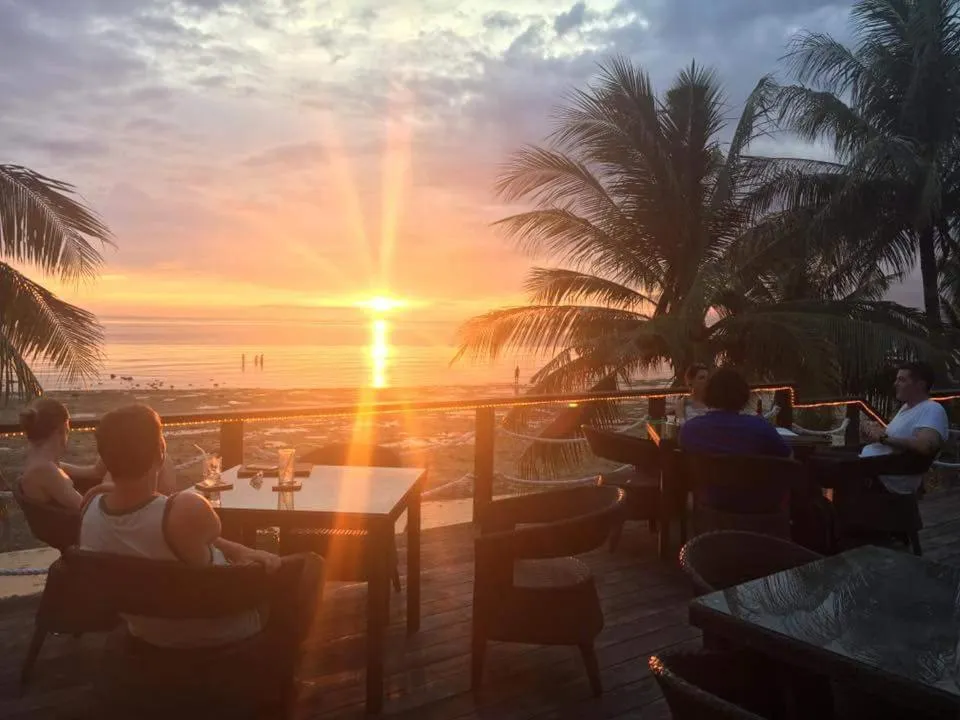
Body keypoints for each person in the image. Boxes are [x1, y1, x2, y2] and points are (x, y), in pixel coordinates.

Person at [80, 404, 284, 648]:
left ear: (105, 458)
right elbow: (209, 531)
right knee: (309, 566)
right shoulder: (183, 509)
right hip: (221, 626)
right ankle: (283, 669)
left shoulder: (90, 508)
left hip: (146, 631)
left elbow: (190, 535)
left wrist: (241, 550)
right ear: (160, 453)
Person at [858, 361, 949, 494]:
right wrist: (873, 432)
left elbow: (925, 445)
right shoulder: (906, 408)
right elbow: (895, 438)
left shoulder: (932, 409)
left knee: (830, 468)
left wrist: (883, 437)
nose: (895, 384)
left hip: (889, 478)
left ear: (920, 385)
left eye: (902, 380)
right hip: (877, 469)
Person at [17, 397, 111, 509]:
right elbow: (86, 509)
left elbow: (95, 472)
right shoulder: (45, 470)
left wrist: (112, 448)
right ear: (61, 431)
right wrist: (110, 485)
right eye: (68, 431)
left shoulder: (43, 462)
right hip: (75, 525)